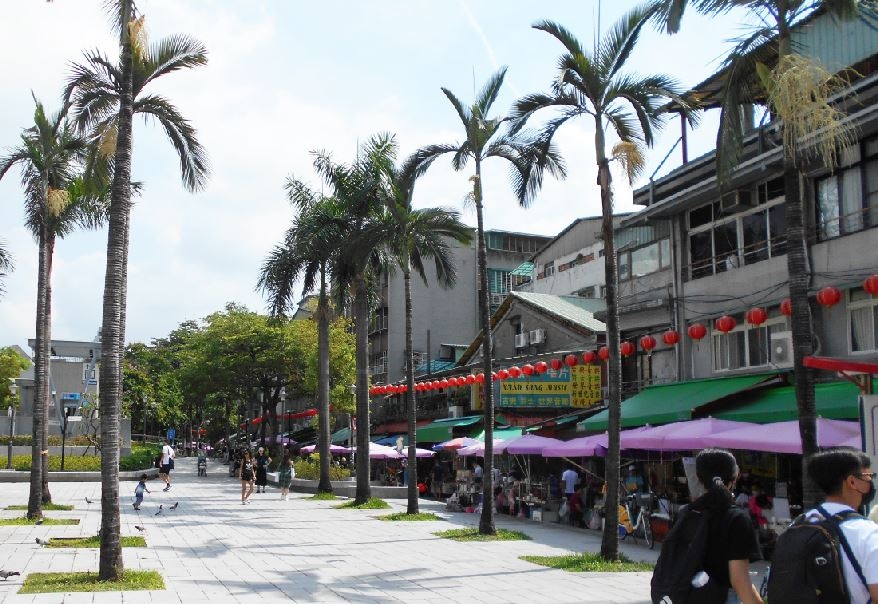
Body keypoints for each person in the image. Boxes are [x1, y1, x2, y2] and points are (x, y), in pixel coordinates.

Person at [802, 448, 878, 603]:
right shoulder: (867, 532)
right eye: (868, 477)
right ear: (852, 482)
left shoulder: (798, 524)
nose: (870, 483)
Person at [693, 449, 763, 604]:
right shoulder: (737, 518)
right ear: (735, 477)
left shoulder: (687, 512)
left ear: (698, 477)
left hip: (686, 595)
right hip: (722, 597)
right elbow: (739, 580)